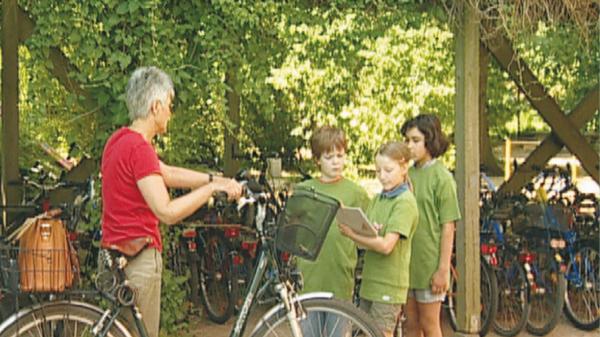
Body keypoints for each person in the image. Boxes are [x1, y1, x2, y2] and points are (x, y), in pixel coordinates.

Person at [101, 66, 242, 337]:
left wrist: (216, 179)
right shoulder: (139, 149)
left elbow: (165, 173)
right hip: (137, 260)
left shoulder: (119, 140)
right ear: (155, 107)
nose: (170, 112)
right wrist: (210, 190)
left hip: (113, 256)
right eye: (169, 104)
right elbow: (166, 211)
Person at [339, 141, 419, 337]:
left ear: (403, 167)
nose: (382, 176)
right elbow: (368, 236)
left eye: (388, 170)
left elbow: (386, 246)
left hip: (389, 285)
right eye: (378, 171)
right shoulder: (378, 199)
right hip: (370, 282)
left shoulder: (405, 202)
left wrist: (353, 234)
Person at [296, 126, 370, 337]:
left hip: (340, 281)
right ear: (317, 160)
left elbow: (368, 230)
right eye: (329, 157)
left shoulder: (356, 192)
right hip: (309, 281)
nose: (336, 161)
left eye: (340, 155)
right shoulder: (304, 190)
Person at [400, 114, 461, 337]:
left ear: (430, 140)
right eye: (407, 140)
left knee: (430, 324)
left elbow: (448, 226)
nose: (409, 146)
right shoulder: (406, 174)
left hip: (429, 264)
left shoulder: (442, 178)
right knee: (411, 325)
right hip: (407, 263)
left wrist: (443, 270)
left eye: (415, 140)